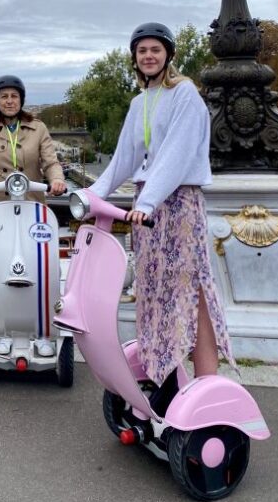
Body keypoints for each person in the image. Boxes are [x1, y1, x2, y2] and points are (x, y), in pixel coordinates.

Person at [88, 22, 236, 410]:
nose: (148, 56)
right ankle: (165, 373)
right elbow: (125, 158)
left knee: (189, 287)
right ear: (134, 59)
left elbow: (178, 155)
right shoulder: (140, 103)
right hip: (146, 211)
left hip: (177, 204)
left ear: (169, 54)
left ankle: (207, 382)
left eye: (155, 49)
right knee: (154, 292)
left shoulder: (185, 94)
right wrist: (91, 195)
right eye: (142, 51)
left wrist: (149, 201)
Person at [0, 74, 67, 357]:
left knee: (44, 270)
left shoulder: (38, 129)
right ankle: (0, 330)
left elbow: (51, 161)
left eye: (14, 96)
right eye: (4, 97)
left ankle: (45, 331)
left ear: (21, 100)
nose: (9, 101)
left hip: (33, 209)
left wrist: (57, 180)